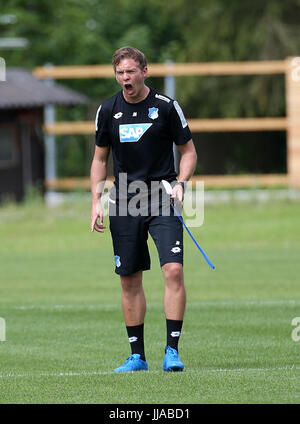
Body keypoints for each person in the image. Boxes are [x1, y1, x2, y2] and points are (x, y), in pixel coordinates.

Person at [90, 46, 197, 372]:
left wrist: (182, 182)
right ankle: (137, 356)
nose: (126, 78)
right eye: (120, 73)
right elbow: (99, 159)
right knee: (129, 279)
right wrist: (96, 201)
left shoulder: (166, 107)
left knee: (173, 270)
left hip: (162, 197)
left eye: (131, 72)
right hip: (123, 201)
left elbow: (189, 151)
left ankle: (172, 351)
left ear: (144, 72)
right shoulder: (108, 110)